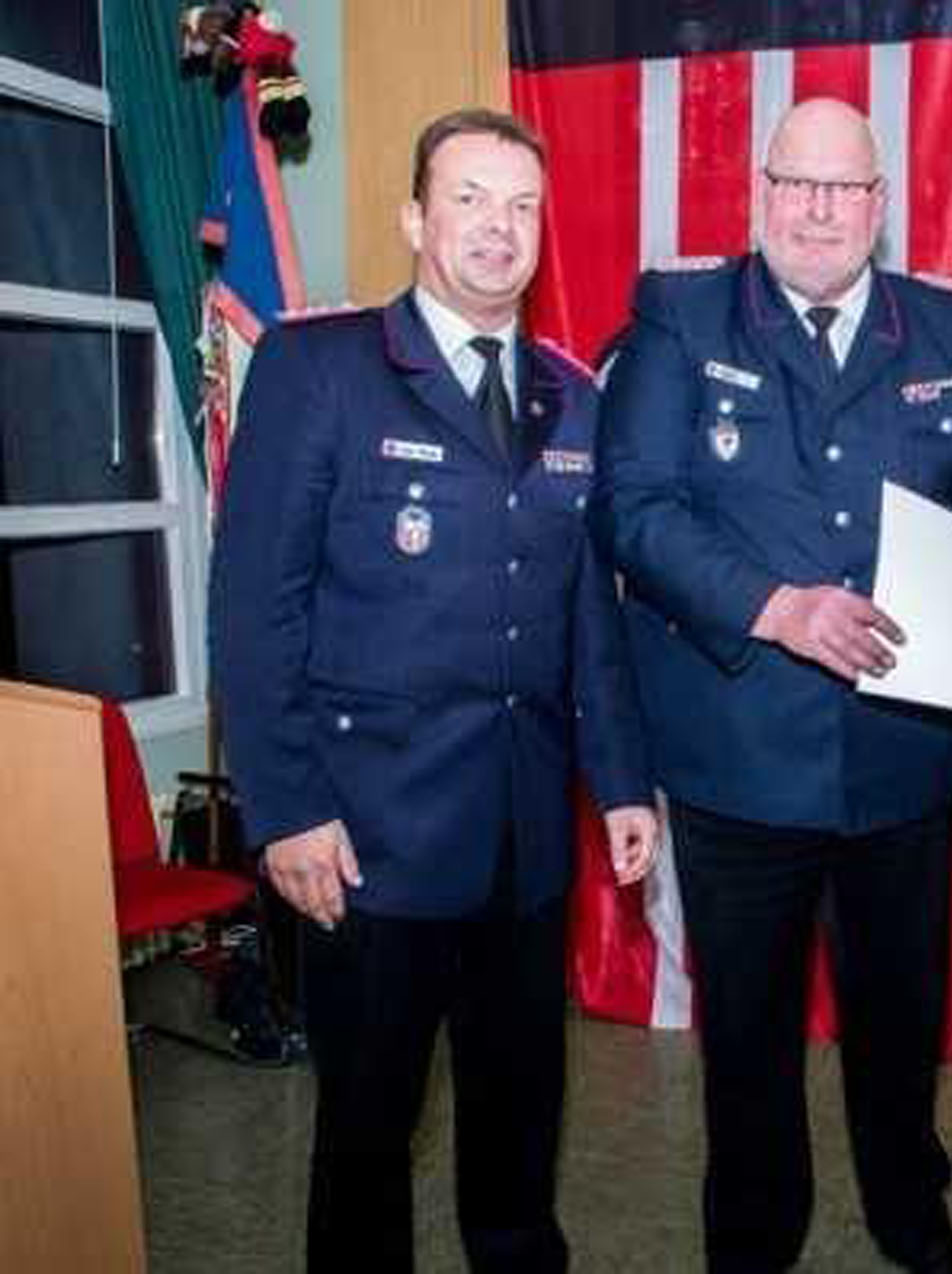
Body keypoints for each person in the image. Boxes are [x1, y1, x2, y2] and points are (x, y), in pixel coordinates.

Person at [209, 108, 658, 1272]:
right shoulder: (321, 368)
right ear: (415, 217)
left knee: (520, 1123)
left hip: (523, 841)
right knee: (367, 1133)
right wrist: (285, 808)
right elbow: (255, 607)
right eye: (469, 198)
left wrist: (621, 781)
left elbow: (589, 614)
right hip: (369, 839)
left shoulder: (573, 396)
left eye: (521, 205)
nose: (498, 227)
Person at [590, 98, 952, 1274]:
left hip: (905, 749)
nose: (819, 210)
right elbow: (633, 507)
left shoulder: (948, 327)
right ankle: (752, 1238)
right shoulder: (680, 315)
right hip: (738, 752)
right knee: (748, 1034)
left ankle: (912, 1216)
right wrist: (775, 606)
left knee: (901, 1020)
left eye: (844, 188)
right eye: (796, 183)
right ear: (760, 192)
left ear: (879, 204)